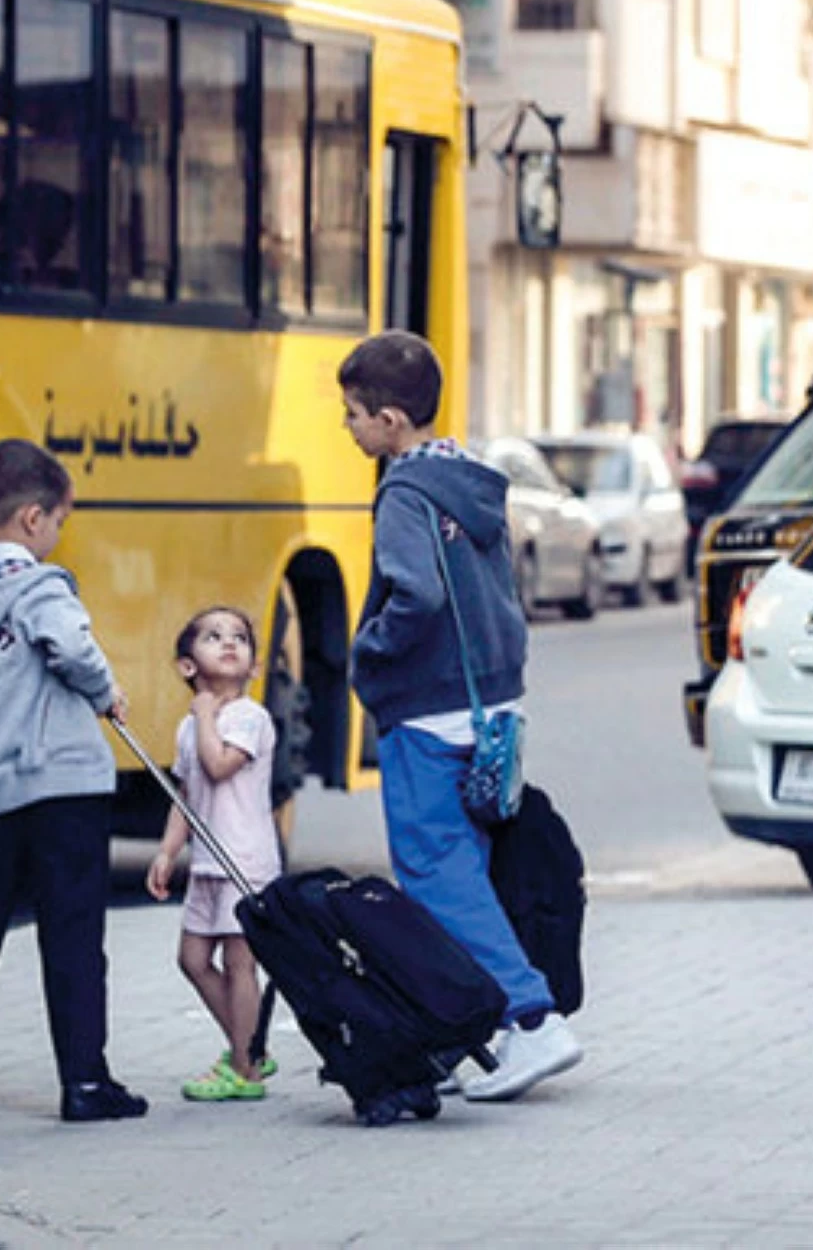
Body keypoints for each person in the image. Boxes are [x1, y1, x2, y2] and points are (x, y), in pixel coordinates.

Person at [339, 331, 582, 1103]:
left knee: (437, 875)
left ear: (388, 420)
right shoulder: (470, 480)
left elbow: (417, 595)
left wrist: (370, 651)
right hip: (489, 706)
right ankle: (456, 1031)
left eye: (352, 415)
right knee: (462, 875)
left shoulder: (404, 494)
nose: (347, 428)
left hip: (428, 708)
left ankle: (532, 1018)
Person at [0, 440, 148, 1123]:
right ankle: (85, 1082)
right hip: (63, 784)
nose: (58, 535)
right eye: (59, 522)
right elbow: (69, 646)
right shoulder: (41, 588)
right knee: (72, 935)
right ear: (33, 519)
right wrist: (104, 691)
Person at [145, 605, 281, 1102]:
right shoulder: (189, 728)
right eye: (214, 636)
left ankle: (245, 1070)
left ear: (254, 667)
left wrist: (205, 715)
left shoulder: (249, 717)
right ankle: (250, 1048)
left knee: (240, 963)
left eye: (240, 638)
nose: (229, 643)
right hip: (207, 862)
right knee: (193, 958)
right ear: (187, 665)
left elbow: (219, 765)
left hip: (244, 861)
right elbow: (186, 794)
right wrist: (167, 851)